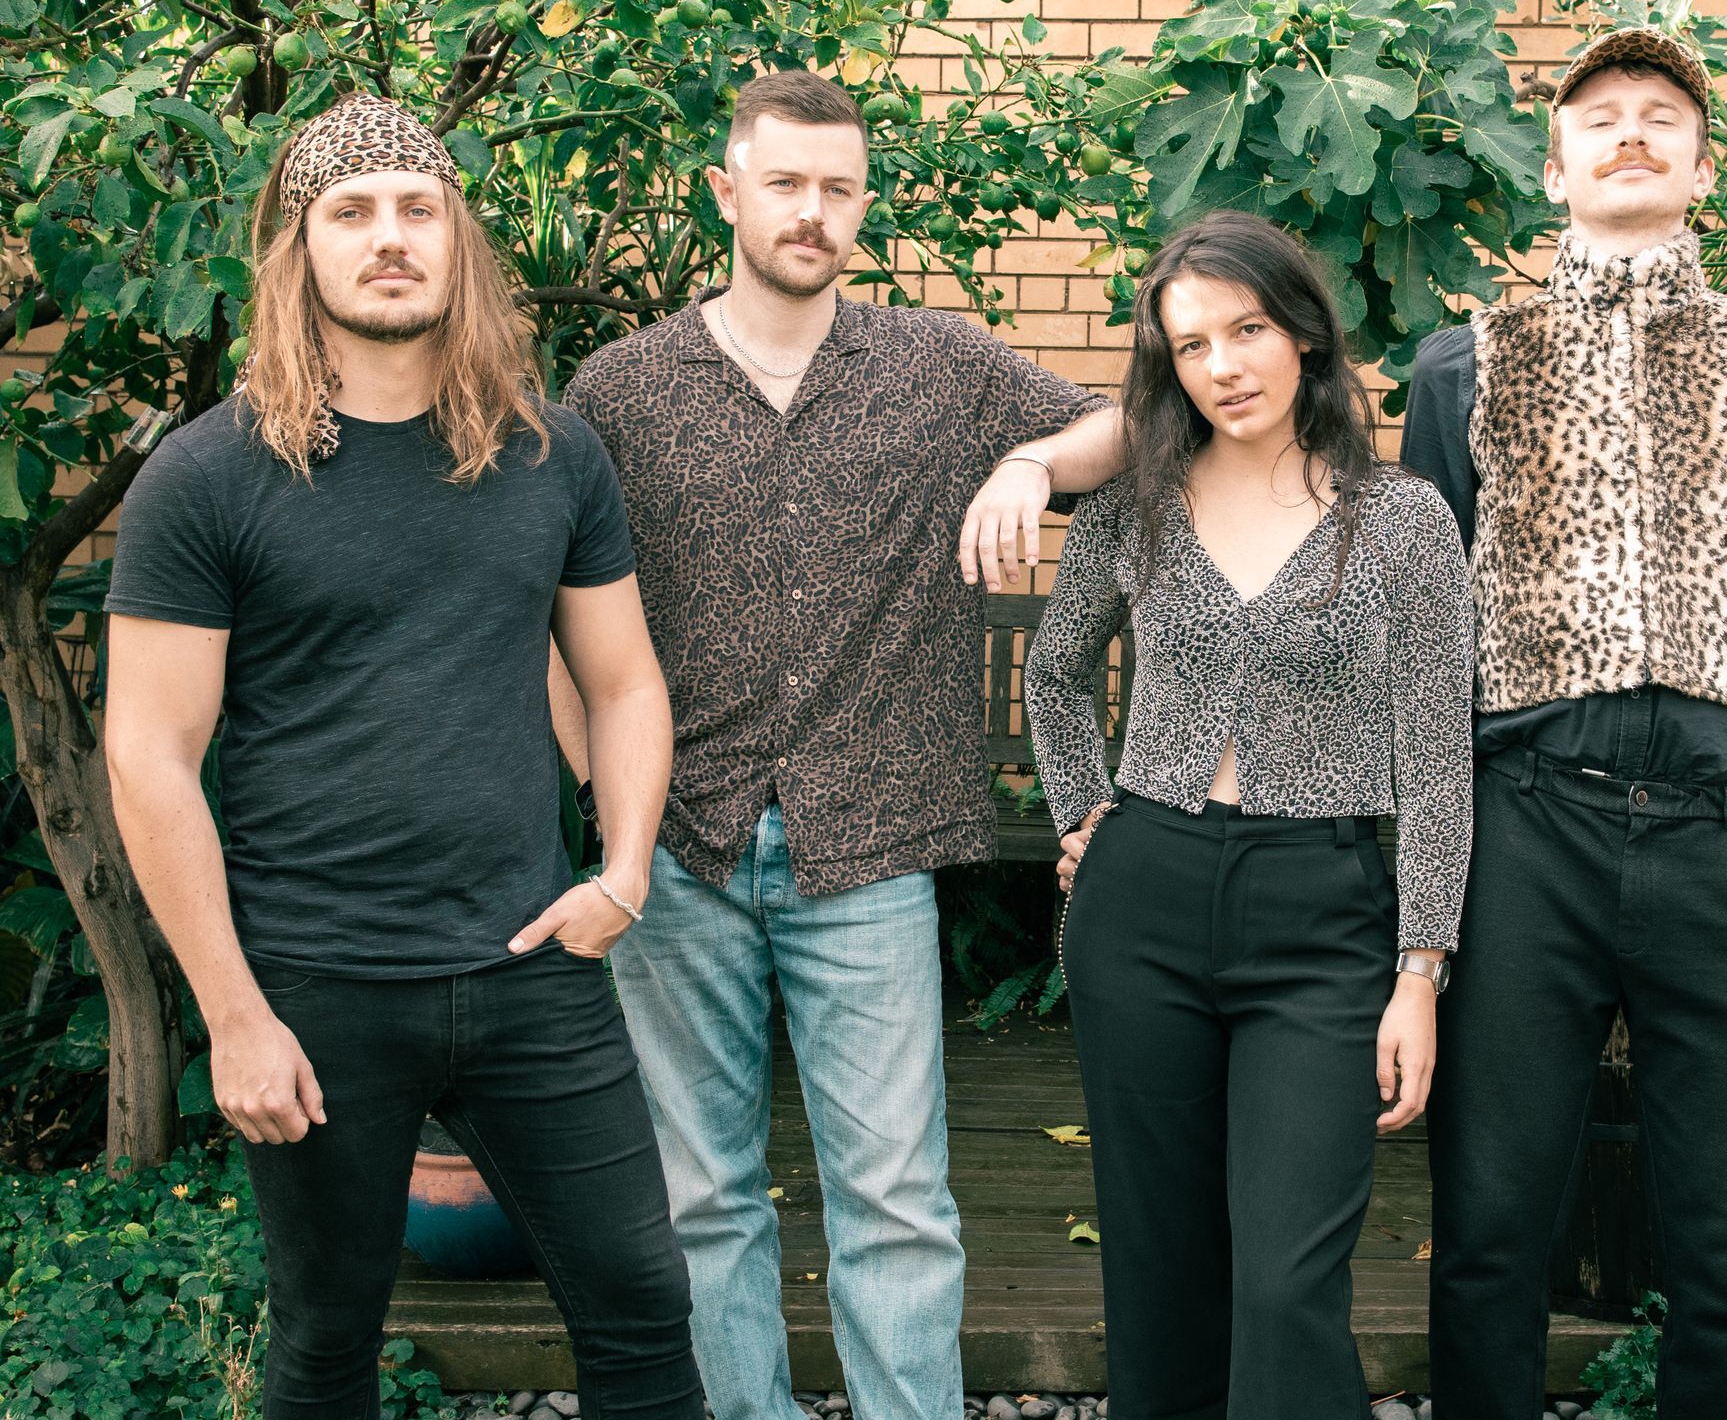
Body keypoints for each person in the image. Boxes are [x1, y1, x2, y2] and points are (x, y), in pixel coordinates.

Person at [102, 93, 702, 1420]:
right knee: (325, 1339)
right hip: (319, 987)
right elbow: (149, 753)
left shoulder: (551, 456)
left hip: (533, 965)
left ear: (460, 242)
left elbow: (624, 680)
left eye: (417, 208)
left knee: (645, 1307)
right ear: (298, 249)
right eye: (351, 211)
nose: (390, 237)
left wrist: (626, 871)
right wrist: (235, 1014)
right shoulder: (207, 480)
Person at [550, 68, 1125, 1420]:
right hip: (676, 851)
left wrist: (1031, 465)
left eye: (839, 189)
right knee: (698, 1197)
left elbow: (1127, 424)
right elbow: (557, 615)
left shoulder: (942, 365)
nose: (812, 212)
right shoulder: (621, 389)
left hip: (869, 849)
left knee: (897, 1201)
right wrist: (608, 806)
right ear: (728, 189)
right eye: (787, 182)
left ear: (861, 206)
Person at [1404, 28, 1727, 1419]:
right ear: (1556, 169)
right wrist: (1429, 889)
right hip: (1528, 835)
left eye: (1661, 119)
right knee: (1493, 1239)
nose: (1630, 134)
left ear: (1700, 168)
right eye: (1598, 119)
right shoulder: (1464, 368)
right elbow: (1424, 642)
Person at [1021, 209, 1475, 1419]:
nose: (1222, 365)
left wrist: (1420, 970)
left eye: (1247, 329)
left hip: (1324, 917)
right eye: (1189, 346)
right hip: (1145, 900)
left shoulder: (1405, 522)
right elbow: (1054, 676)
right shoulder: (1132, 510)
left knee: (1284, 1285)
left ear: (1306, 338)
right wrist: (1084, 812)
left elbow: (1438, 759)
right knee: (1160, 1273)